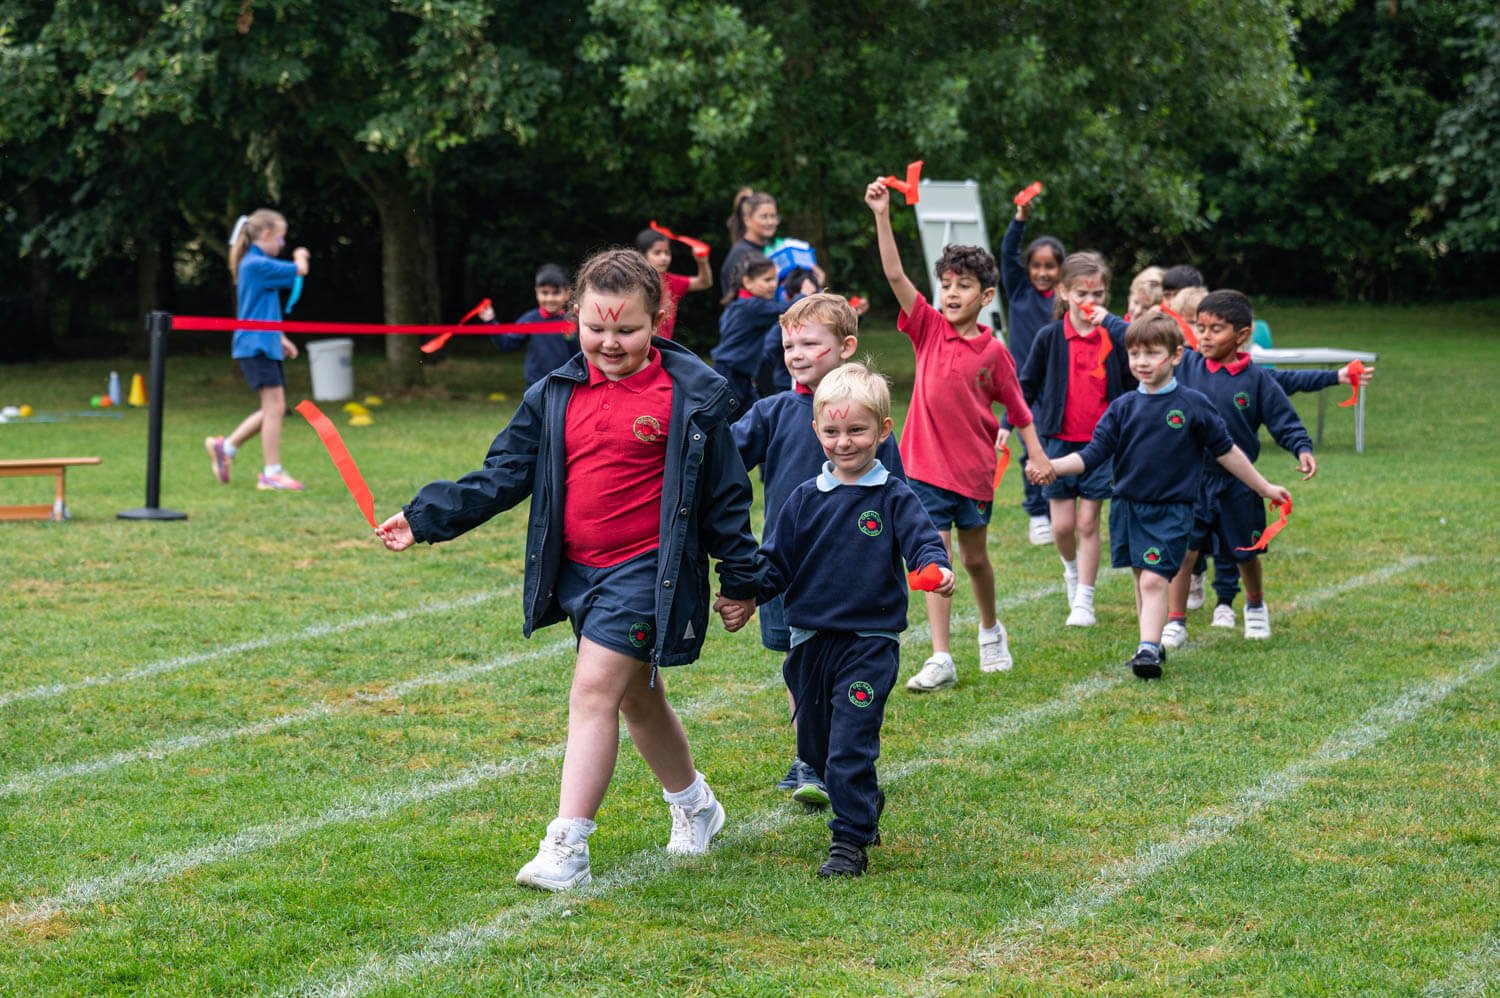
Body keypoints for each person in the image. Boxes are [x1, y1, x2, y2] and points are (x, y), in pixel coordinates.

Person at [375, 248, 762, 891]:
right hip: (579, 575)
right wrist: (424, 518)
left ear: (659, 320)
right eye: (596, 327)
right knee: (637, 699)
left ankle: (568, 844)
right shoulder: (553, 394)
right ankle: (696, 805)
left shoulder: (690, 399)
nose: (610, 343)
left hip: (647, 573)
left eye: (627, 330)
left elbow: (726, 496)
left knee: (593, 691)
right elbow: (504, 473)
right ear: (575, 315)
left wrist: (742, 579)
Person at [757, 362, 954, 876]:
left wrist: (934, 567)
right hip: (809, 641)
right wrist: (742, 594)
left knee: (850, 742)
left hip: (869, 641)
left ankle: (848, 841)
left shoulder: (892, 496)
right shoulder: (804, 499)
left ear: (883, 430)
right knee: (816, 748)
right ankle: (861, 797)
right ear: (817, 430)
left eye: (857, 430)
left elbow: (923, 541)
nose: (844, 443)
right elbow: (775, 563)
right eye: (832, 432)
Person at [865, 177, 1051, 691]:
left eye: (963, 286)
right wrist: (882, 214)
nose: (951, 293)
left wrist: (1037, 458)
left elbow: (1021, 411)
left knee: (974, 559)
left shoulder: (995, 353)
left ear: (986, 296)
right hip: (924, 470)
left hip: (973, 474)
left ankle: (991, 629)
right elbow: (894, 273)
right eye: (946, 284)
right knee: (936, 560)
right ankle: (941, 656)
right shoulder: (926, 327)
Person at [1031, 313, 1290, 680]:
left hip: (1173, 510)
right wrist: (1053, 466)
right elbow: (1092, 455)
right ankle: (1148, 644)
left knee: (1154, 580)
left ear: (1176, 356)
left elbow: (1227, 451)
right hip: (1127, 509)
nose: (1142, 362)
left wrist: (1264, 488)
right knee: (1142, 579)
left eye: (1152, 353)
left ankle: (1149, 648)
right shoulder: (1122, 408)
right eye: (1134, 354)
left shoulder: (1193, 404)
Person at [732, 293, 905, 805]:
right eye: (789, 346)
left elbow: (898, 497)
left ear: (846, 347)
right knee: (798, 660)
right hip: (786, 569)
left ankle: (839, 753)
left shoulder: (870, 424)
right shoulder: (773, 412)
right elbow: (722, 465)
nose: (797, 354)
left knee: (850, 662)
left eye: (810, 343)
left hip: (853, 573)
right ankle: (810, 756)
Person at [1162, 290, 1321, 647]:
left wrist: (1301, 447)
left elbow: (1284, 421)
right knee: (1185, 551)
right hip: (1191, 480)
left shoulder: (1258, 380)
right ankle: (1175, 620)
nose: (1204, 336)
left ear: (1242, 334)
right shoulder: (1185, 366)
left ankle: (1255, 606)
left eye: (1215, 329)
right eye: (1200, 327)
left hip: (1239, 483)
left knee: (1245, 553)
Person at [1018, 251, 1135, 628]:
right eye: (1082, 293)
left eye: (1098, 294)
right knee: (1062, 527)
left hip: (1100, 447)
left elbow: (1134, 382)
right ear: (1064, 292)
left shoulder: (1114, 336)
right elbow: (1025, 387)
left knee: (1088, 523)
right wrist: (1008, 424)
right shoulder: (1050, 337)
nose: (1091, 302)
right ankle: (1071, 570)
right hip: (1057, 444)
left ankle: (1084, 598)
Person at [204, 208, 311, 491]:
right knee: (275, 407)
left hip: (264, 342)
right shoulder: (256, 264)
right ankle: (271, 473)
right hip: (257, 346)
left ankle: (225, 448)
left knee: (273, 407)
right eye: (280, 238)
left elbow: (261, 308)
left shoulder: (256, 263)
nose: (282, 244)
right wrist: (301, 255)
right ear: (266, 234)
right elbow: (300, 270)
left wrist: (280, 337)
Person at [999, 188, 1067, 545]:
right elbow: (1007, 253)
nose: (1042, 272)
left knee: (1057, 449)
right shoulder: (1020, 292)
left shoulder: (1065, 302)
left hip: (1059, 386)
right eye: (1036, 266)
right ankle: (1037, 514)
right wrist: (1020, 219)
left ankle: (1056, 508)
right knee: (1030, 448)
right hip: (1025, 388)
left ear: (1061, 270)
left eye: (1050, 266)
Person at [713, 255, 786, 420]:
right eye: (767, 280)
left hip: (738, 375)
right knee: (731, 423)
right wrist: (806, 295)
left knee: (755, 420)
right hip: (731, 375)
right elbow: (788, 308)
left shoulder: (737, 304)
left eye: (775, 279)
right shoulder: (753, 307)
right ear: (747, 282)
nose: (773, 284)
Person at [487, 263, 579, 389]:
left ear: (567, 293)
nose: (550, 298)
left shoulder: (574, 321)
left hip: (567, 387)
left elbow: (583, 354)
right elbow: (506, 344)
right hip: (535, 388)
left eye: (556, 293)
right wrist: (490, 321)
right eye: (544, 293)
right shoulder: (529, 320)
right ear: (537, 292)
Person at [636, 228, 711, 340]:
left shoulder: (671, 281)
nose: (664, 258)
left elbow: (704, 283)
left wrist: (702, 262)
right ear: (643, 255)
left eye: (667, 253)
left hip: (663, 346)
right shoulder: (633, 282)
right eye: (657, 253)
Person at [720, 188, 782, 294]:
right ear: (747, 220)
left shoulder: (774, 249)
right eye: (764, 217)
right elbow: (735, 298)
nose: (770, 222)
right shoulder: (740, 254)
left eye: (773, 216)